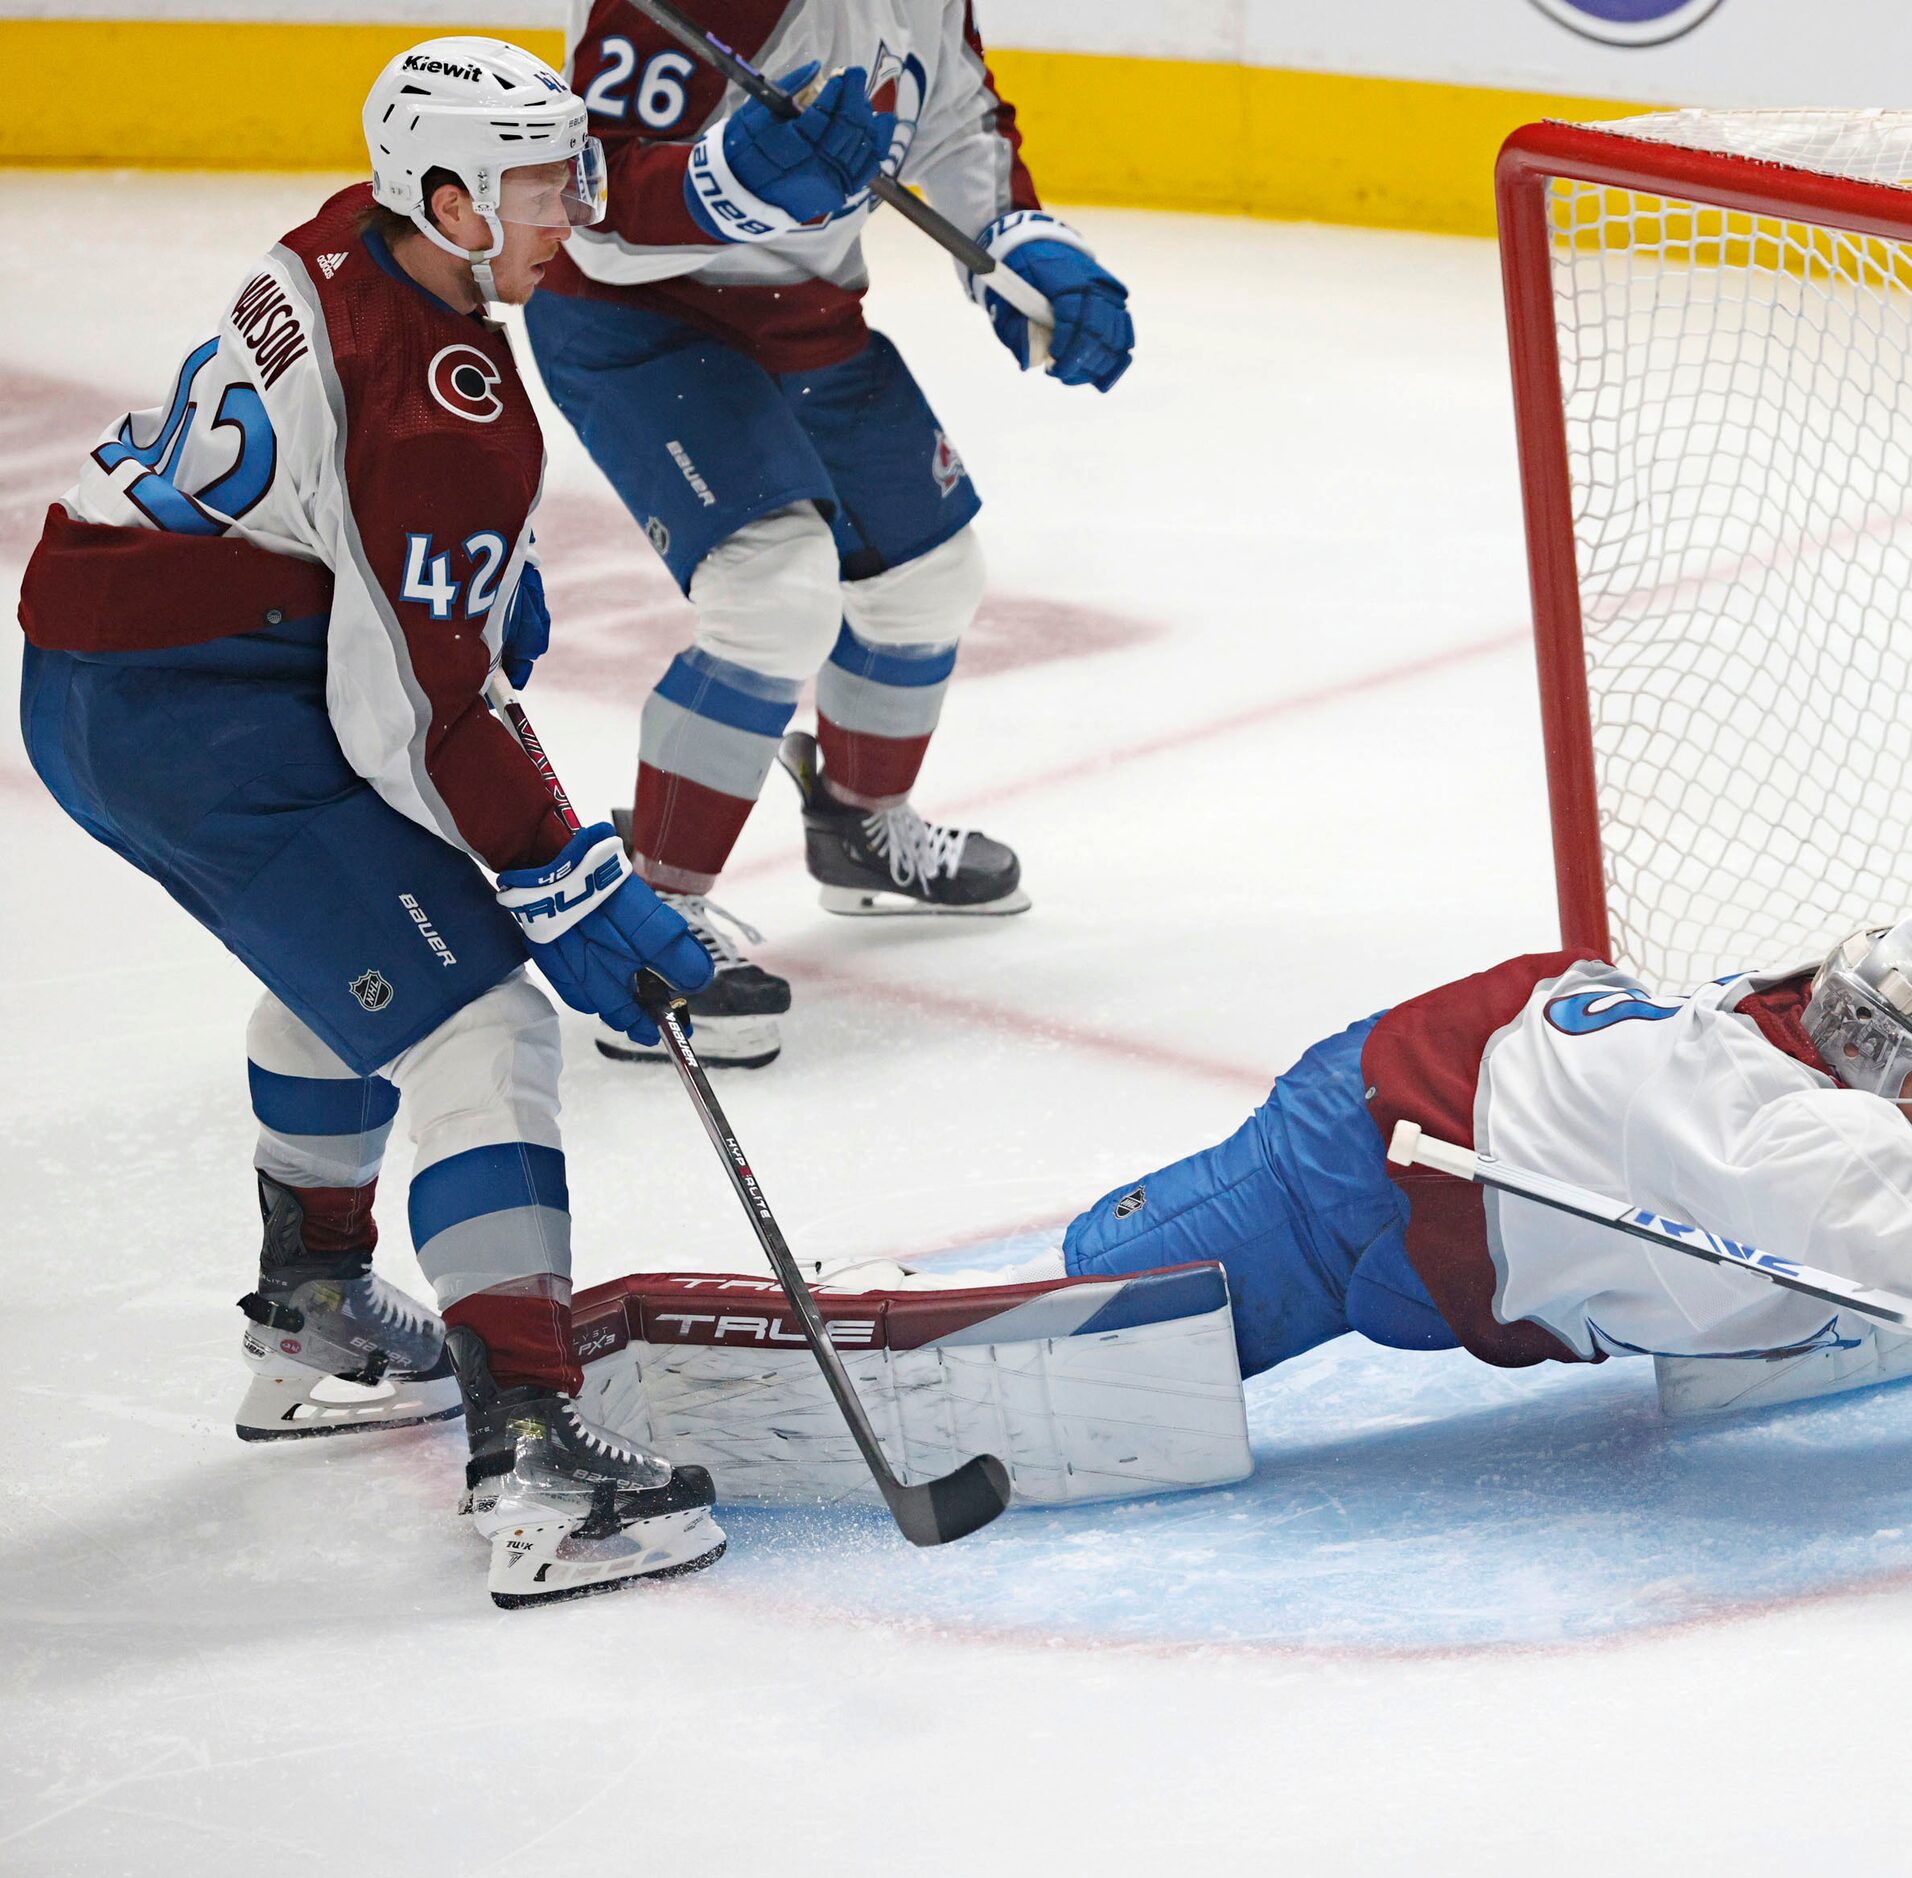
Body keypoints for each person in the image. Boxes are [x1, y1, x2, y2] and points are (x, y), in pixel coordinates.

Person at [16, 36, 726, 1608]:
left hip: (96, 680)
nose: (578, 206)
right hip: (201, 719)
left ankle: (315, 1311)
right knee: (481, 1023)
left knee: (362, 952)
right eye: (544, 182)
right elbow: (411, 715)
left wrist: (445, 571)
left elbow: (350, 505)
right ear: (454, 197)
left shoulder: (352, 235)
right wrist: (569, 881)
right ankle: (533, 1460)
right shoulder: (450, 410)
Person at [1057, 902, 1912, 1453]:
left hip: (1479, 1212)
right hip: (1363, 1156)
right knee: (1102, 1311)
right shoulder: (1805, 1142)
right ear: (1883, 1062)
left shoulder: (1803, 1029)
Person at [522, 0, 1136, 1068]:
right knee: (775, 591)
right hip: (642, 324)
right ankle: (652, 917)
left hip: (806, 314)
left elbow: (956, 116)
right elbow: (584, 197)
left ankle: (860, 826)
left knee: (930, 577)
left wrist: (1018, 242)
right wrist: (723, 185)